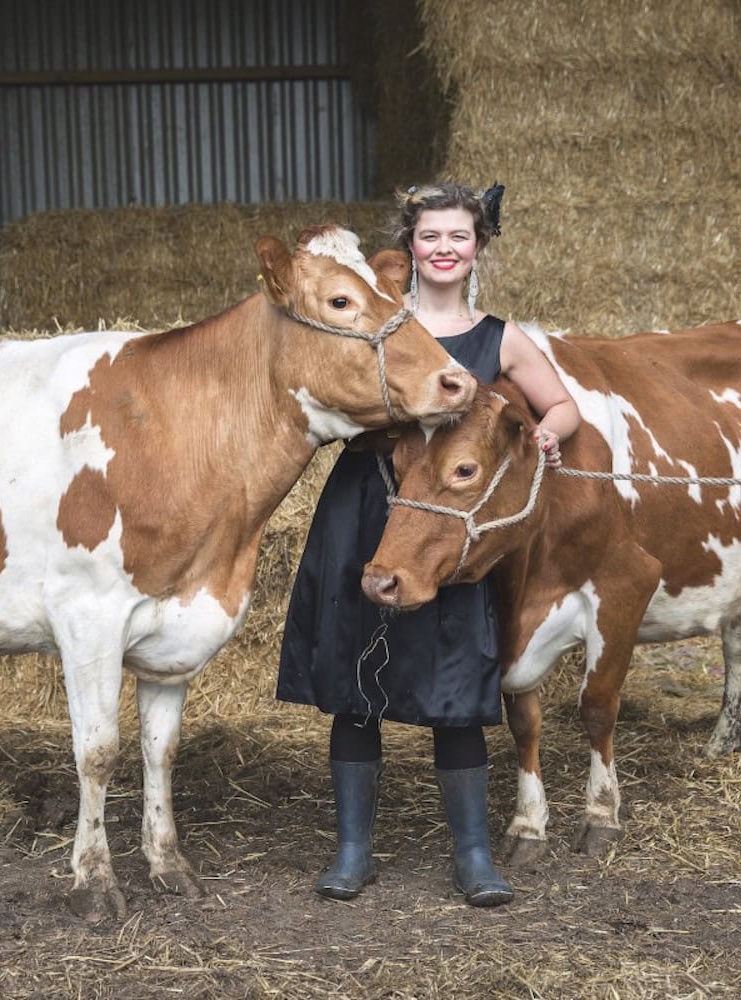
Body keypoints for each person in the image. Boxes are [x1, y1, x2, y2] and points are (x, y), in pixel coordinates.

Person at [277, 182, 581, 907]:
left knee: (457, 683)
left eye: (459, 237)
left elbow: (562, 402)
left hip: (453, 521)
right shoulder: (383, 317)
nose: (445, 248)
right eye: (431, 236)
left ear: (479, 247)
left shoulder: (499, 337)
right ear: (410, 245)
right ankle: (353, 851)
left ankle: (473, 855)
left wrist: (547, 433)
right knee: (357, 688)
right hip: (367, 506)